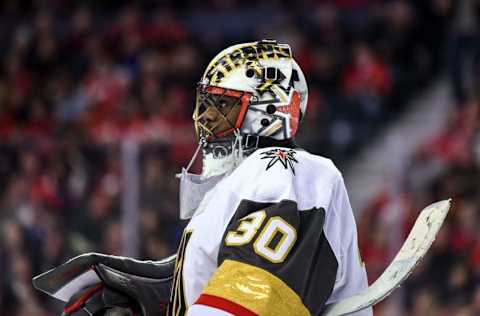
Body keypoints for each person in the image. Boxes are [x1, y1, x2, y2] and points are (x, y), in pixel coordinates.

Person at [33, 40, 372, 316]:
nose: (204, 119)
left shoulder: (285, 171)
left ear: (269, 112)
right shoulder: (246, 184)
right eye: (205, 104)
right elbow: (220, 277)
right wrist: (149, 295)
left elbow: (251, 302)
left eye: (221, 107)